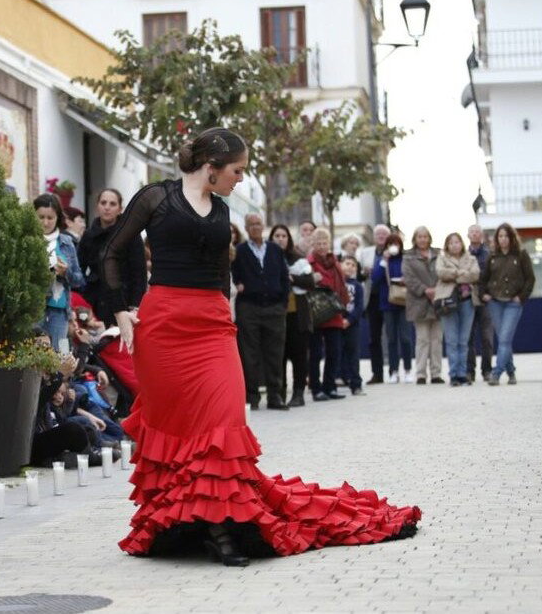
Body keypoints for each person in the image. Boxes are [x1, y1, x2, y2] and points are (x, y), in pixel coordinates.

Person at [105, 127, 419, 566]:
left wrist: (225, 317)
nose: (240, 179)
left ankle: (221, 525)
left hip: (212, 327)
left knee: (224, 423)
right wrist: (122, 311)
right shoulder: (156, 197)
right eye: (237, 171)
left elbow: (221, 275)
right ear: (212, 167)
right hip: (163, 328)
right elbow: (113, 252)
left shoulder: (220, 210)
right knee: (178, 430)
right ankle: (196, 524)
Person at [233, 213, 290, 410]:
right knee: (249, 354)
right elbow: (234, 275)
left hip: (274, 308)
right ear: (246, 228)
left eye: (258, 224)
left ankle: (275, 396)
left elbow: (284, 277)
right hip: (249, 308)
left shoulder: (275, 250)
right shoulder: (239, 251)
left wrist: (282, 304)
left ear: (263, 226)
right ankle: (252, 397)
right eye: (251, 225)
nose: (255, 227)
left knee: (275, 353)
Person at [79, 188, 146, 324]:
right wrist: (81, 299)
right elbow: (79, 267)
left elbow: (139, 274)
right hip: (94, 300)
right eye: (103, 203)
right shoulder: (89, 235)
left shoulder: (131, 235)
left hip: (122, 299)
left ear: (120, 209)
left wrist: (135, 305)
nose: (107, 207)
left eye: (112, 204)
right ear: (97, 206)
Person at [480, 223, 535, 386]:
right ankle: (511, 371)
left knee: (504, 338)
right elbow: (484, 278)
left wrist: (522, 297)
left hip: (513, 303)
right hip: (495, 302)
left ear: (512, 238)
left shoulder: (521, 254)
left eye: (506, 236)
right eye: (500, 236)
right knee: (504, 339)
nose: (503, 239)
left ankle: (496, 373)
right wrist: (483, 294)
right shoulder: (492, 256)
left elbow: (530, 278)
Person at [270, 224, 315, 407]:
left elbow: (310, 282)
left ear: (288, 239)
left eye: (284, 236)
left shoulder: (298, 259)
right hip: (275, 314)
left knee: (299, 355)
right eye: (277, 236)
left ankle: (298, 393)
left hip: (297, 314)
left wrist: (291, 278)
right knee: (278, 356)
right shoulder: (267, 258)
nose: (280, 239)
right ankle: (279, 393)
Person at [35, 193, 85, 349]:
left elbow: (79, 280)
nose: (45, 222)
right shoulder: (28, 240)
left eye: (50, 218)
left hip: (60, 311)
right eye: (41, 217)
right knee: (33, 355)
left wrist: (65, 273)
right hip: (34, 309)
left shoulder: (67, 242)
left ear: (58, 218)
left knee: (60, 355)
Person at [307, 228, 349, 402]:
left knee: (334, 352)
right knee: (315, 353)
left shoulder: (335, 262)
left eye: (324, 243)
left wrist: (344, 305)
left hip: (334, 312)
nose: (322, 246)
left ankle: (330, 386)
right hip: (316, 312)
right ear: (313, 244)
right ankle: (316, 389)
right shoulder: (308, 263)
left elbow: (342, 285)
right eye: (318, 243)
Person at [436, 232, 480, 386]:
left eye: (457, 242)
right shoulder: (442, 259)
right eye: (451, 242)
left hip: (467, 302)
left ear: (462, 243)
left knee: (463, 340)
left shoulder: (471, 259)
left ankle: (462, 373)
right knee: (451, 340)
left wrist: (454, 276)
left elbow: (475, 275)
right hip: (448, 302)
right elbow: (441, 273)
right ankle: (453, 374)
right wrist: (460, 273)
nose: (454, 245)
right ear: (447, 245)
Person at [403, 227, 442, 385]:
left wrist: (437, 290)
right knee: (422, 339)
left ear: (429, 238)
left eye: (425, 236)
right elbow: (408, 277)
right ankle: (420, 374)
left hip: (438, 301)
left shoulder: (439, 254)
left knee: (437, 340)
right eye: (419, 236)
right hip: (418, 302)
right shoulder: (408, 257)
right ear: (415, 239)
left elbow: (444, 273)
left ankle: (436, 373)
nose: (423, 239)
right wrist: (425, 290)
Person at [372, 233, 413, 383]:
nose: (394, 247)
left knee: (406, 338)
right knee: (391, 339)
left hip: (404, 302)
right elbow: (375, 278)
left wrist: (405, 279)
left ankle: (408, 370)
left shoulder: (406, 259)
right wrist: (384, 260)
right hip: (387, 302)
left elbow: (412, 275)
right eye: (391, 244)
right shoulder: (383, 260)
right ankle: (394, 371)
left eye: (396, 244)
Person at [359, 224, 391, 384]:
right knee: (374, 338)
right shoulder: (365, 253)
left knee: (392, 336)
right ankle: (377, 374)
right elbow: (358, 275)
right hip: (372, 299)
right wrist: (364, 273)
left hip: (391, 299)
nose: (381, 236)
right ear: (373, 237)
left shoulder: (394, 252)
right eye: (378, 234)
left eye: (384, 234)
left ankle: (394, 372)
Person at [466, 225, 494, 382]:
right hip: (468, 299)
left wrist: (488, 292)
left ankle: (487, 370)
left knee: (487, 338)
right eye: (472, 232)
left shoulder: (489, 254)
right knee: (468, 338)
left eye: (477, 232)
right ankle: (469, 371)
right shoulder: (463, 255)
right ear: (468, 235)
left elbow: (492, 276)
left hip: (485, 301)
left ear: (482, 235)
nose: (475, 234)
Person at [338, 255, 366, 395]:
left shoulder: (358, 286)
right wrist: (339, 319)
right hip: (336, 322)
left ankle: (356, 384)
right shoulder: (335, 283)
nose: (350, 267)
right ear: (340, 265)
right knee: (337, 352)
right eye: (347, 263)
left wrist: (349, 320)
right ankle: (336, 380)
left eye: (353, 265)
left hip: (352, 324)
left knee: (353, 354)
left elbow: (359, 307)